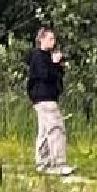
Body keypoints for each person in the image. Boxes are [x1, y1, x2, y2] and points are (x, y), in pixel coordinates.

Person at [26, 27, 73, 177]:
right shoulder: (38, 57)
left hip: (49, 96)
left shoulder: (47, 57)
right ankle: (58, 163)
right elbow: (45, 75)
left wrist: (58, 64)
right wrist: (54, 63)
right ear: (42, 39)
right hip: (44, 97)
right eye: (50, 39)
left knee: (45, 131)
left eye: (54, 39)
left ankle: (42, 162)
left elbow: (57, 75)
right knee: (56, 128)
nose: (53, 42)